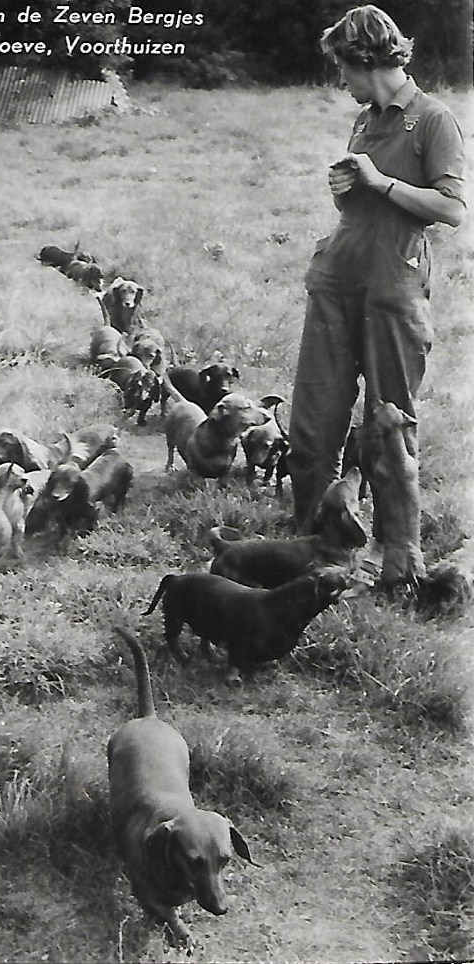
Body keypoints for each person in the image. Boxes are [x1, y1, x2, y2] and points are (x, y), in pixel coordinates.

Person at [287, 4, 467, 586]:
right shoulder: (364, 120)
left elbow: (452, 208)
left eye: (343, 67)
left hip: (393, 290)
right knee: (314, 423)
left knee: (387, 425)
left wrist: (382, 181)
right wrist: (345, 189)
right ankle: (314, 549)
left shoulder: (435, 120)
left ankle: (398, 560)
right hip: (337, 282)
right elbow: (358, 203)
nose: (340, 80)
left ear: (365, 59)